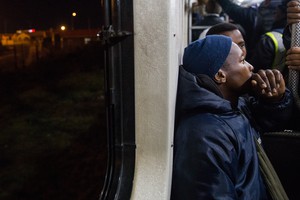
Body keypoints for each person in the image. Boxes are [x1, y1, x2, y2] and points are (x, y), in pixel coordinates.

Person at [171, 35, 293, 199]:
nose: (251, 67)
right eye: (242, 61)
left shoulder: (235, 106)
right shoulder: (205, 134)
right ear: (220, 75)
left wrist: (274, 100)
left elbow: (269, 122)